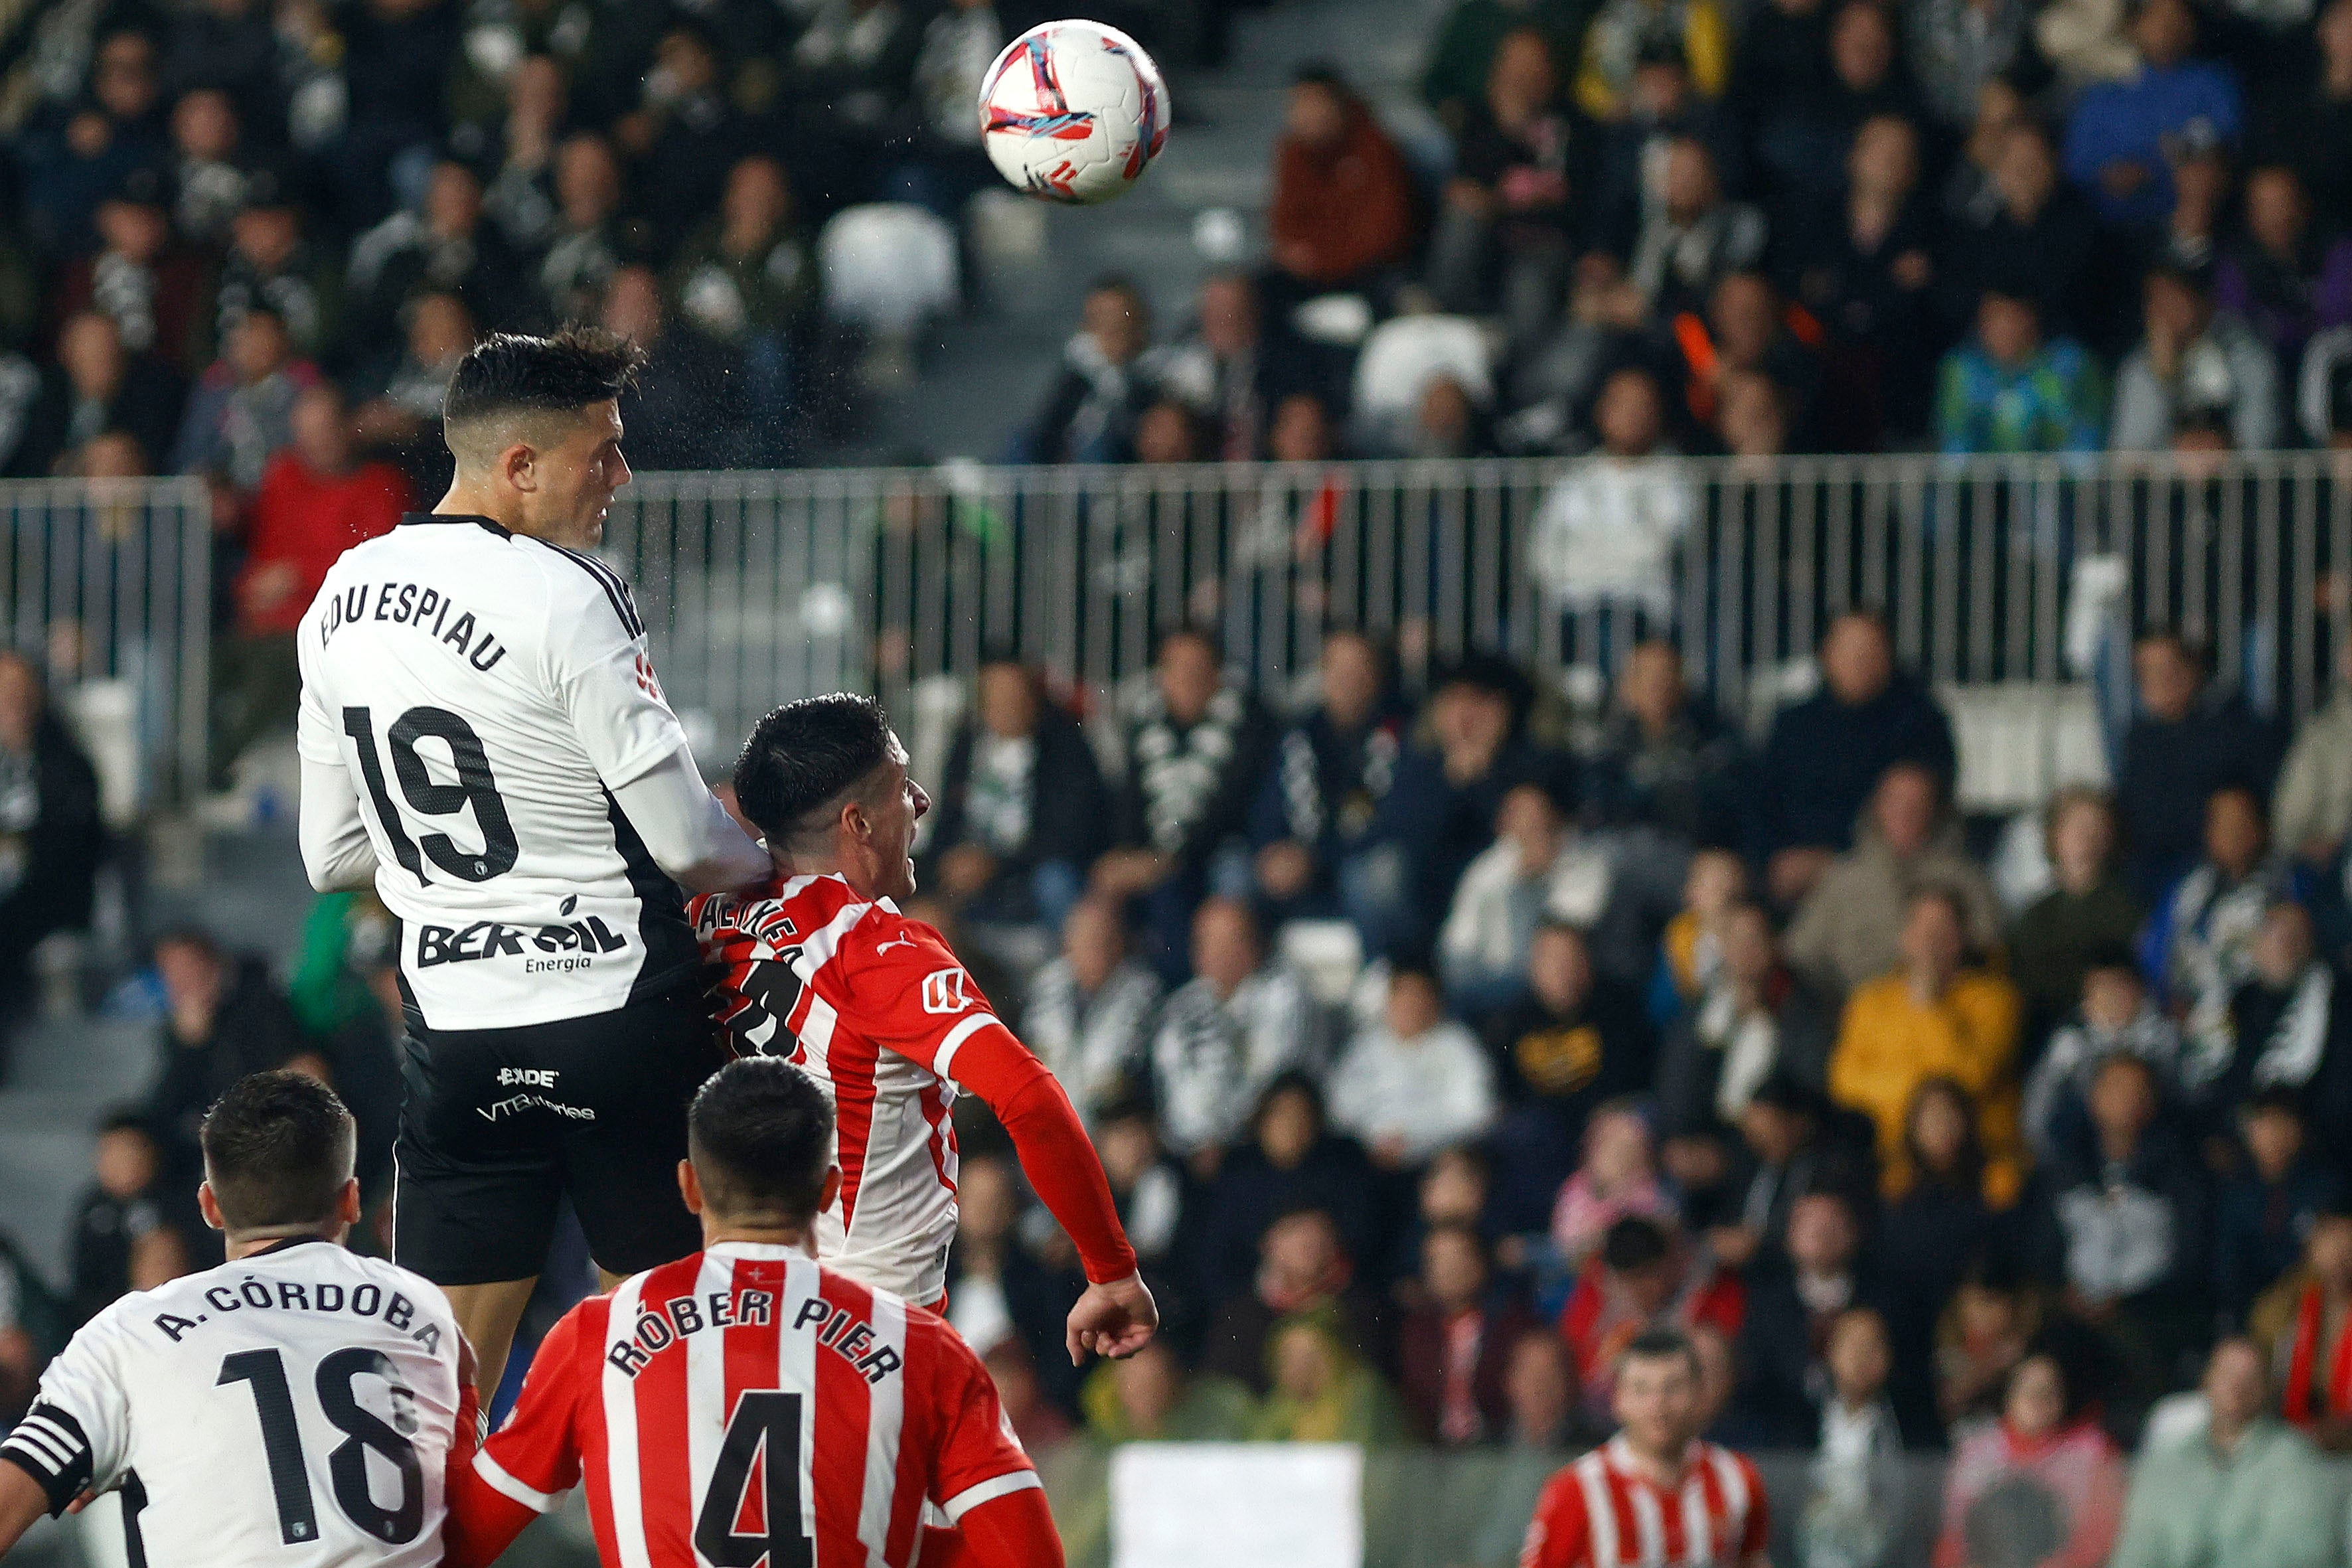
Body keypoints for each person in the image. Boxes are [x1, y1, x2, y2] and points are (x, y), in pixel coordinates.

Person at [295, 327, 769, 1397]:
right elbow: (690, 843)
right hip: (620, 1022)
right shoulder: (568, 592)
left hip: (459, 1038)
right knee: (680, 1380)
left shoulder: (338, 595)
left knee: (437, 1402)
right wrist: (773, 861)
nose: (621, 475)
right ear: (519, 465)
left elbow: (329, 854)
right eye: (599, 451)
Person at [439, 1056, 1064, 1568]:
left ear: (688, 1186)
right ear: (828, 1189)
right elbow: (1029, 1557)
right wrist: (880, 1535)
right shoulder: (923, 1347)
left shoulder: (596, 1335)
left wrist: (458, 1400)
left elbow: (461, 1541)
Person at [692, 694, 1156, 1360]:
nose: (921, 802)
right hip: (865, 1338)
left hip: (728, 1324)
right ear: (858, 823)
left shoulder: (705, 923)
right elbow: (1028, 1099)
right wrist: (1111, 1270)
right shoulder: (880, 951)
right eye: (899, 787)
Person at [0, 1071, 473, 1562]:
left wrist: (101, 1448)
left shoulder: (128, 1336)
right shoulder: (425, 1314)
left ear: (210, 1206)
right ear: (351, 1200)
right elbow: (463, 1498)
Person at [216, 382, 409, 776]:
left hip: (328, 635)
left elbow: (375, 568)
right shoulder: (282, 476)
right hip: (258, 626)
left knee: (273, 669)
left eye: (324, 429)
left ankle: (213, 771)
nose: (315, 442)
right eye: (307, 431)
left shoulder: (380, 486)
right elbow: (257, 555)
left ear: (346, 427)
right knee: (195, 663)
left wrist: (297, 576)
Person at [1830, 887, 2024, 1204]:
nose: (1930, 941)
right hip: (1887, 1164)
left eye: (1943, 929)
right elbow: (1846, 1085)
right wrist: (1921, 1100)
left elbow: (1968, 1080)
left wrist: (1929, 1004)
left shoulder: (1995, 1000)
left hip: (1971, 1169)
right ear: (1904, 936)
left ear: (1963, 938)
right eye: (1922, 928)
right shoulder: (1869, 1001)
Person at [1751, 610, 1958, 907]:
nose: (1861, 661)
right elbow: (1763, 806)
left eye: (1871, 650)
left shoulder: (1921, 726)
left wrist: (1835, 864)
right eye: (1850, 651)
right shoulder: (1793, 726)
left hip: (1891, 876)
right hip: (1793, 879)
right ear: (1825, 656)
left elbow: (1919, 817)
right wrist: (1772, 860)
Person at [1520, 1329, 1770, 1568]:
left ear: (1698, 1394)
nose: (1657, 1406)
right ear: (1618, 1399)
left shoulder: (1738, 1479)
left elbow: (1753, 1560)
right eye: (1641, 1390)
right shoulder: (1575, 1490)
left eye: (1673, 1388)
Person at [1785, 761, 2006, 1005]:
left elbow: (1989, 951)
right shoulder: (1842, 880)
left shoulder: (1968, 881)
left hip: (1944, 1011)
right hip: (1853, 1018)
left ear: (1935, 810)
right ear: (1877, 806)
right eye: (1895, 800)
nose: (1905, 811)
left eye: (1917, 803)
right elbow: (1800, 956)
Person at [2110, 1337, 2342, 1568]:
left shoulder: (2298, 1461)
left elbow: (2302, 1554)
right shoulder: (2166, 1464)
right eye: (2227, 1374)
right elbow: (2137, 1551)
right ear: (2207, 1380)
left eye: (2250, 1377)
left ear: (2267, 1388)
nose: (2237, 1386)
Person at [922, 655, 1107, 932]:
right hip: (971, 871)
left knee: (1056, 883)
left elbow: (1068, 835)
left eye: (1015, 695)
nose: (1006, 706)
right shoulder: (967, 745)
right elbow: (948, 819)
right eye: (995, 697)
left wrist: (996, 864)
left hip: (1031, 872)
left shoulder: (1064, 747)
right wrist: (949, 858)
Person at [1149, 898, 1322, 1162]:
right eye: (1210, 942)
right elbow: (1167, 1086)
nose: (1222, 953)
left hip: (1258, 1150)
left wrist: (1219, 1139)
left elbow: (1275, 1079)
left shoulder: (1286, 997)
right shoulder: (1179, 1006)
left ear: (1256, 944)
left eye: (1234, 940)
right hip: (1188, 1153)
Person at [1933, 1343, 2126, 1568]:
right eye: (2028, 1387)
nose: (2039, 1398)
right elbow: (1953, 1538)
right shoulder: (1974, 1451)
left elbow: (2098, 1538)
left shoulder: (2089, 1455)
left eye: (2050, 1389)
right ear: (2008, 1395)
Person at [2061, 0, 2242, 227]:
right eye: (2155, 17)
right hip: (2111, 229)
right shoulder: (2104, 95)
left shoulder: (2212, 82)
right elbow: (2078, 165)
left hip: (2197, 217)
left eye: (2177, 15)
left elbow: (2225, 136)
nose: (2167, 26)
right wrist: (2114, 175)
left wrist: (2161, 161)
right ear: (2132, 27)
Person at [1439, 781, 1613, 1016]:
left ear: (1555, 818)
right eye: (1519, 818)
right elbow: (1458, 943)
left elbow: (1568, 935)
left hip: (1562, 980)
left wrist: (1531, 884)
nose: (1529, 829)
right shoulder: (1486, 871)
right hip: (1494, 982)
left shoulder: (1586, 863)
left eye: (1537, 819)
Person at [0, 653, 103, 1022]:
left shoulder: (66, 764)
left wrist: (18, 844)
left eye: (17, 693)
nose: (10, 704)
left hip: (46, 900)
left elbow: (71, 843)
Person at [2010, 788, 2146, 1051]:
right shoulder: (2035, 915)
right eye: (2076, 826)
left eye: (2098, 827)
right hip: (2047, 1033)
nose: (2087, 837)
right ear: (2055, 835)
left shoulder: (2129, 906)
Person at [1328, 963, 1497, 1167]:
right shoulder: (1364, 1047)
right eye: (1402, 995)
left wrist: (1415, 1142)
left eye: (1418, 996)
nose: (1410, 1005)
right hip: (1369, 1158)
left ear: (1436, 1000)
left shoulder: (1459, 1046)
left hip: (1435, 1161)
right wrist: (1376, 1139)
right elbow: (1341, 1109)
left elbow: (1476, 1114)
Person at [1020, 896, 1162, 1127]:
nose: (1095, 950)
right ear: (1068, 944)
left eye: (1103, 940)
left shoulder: (1144, 993)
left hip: (1117, 1131)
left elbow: (1137, 1081)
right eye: (1084, 941)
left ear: (1119, 944)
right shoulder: (1045, 988)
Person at [1397, 1223, 1537, 1444]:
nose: (1450, 1270)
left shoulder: (1511, 1323)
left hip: (1499, 1448)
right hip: (1430, 1452)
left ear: (1480, 1261)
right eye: (1438, 1261)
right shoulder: (1415, 1331)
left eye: (1459, 1258)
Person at [2213, 1089, 2343, 1326]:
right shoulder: (2236, 1193)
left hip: (2314, 1303)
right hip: (2255, 1310)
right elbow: (2228, 1270)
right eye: (2264, 1123)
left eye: (2283, 1122)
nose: (2274, 1134)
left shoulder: (2326, 1188)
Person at [1935, 289, 2106, 453]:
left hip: (2054, 479)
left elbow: (2085, 441)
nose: (2004, 330)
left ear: (2031, 320)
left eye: (2012, 318)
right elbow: (1954, 444)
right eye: (1994, 319)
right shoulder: (1962, 369)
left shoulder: (2068, 364)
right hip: (1984, 481)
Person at [1800, 1307, 1907, 1568]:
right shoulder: (1800, 1420)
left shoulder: (1907, 1427)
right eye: (1852, 1346)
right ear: (1830, 1353)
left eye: (1871, 1347)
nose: (1861, 1358)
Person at [2253, 1205, 2352, 1444]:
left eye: (2347, 1247)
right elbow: (2261, 1329)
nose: (2340, 1258)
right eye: (2330, 1243)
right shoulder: (2295, 1296)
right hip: (2292, 1439)